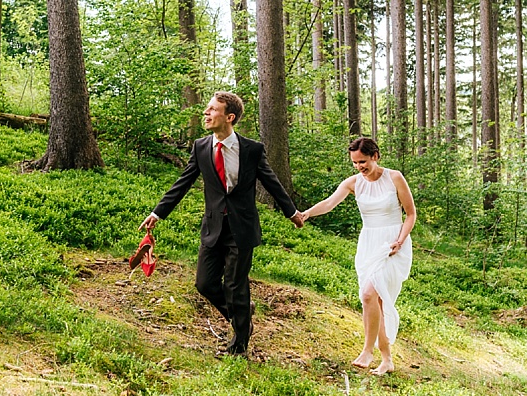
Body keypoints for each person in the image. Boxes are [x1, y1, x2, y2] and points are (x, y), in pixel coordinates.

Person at [139, 91, 304, 356]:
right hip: (213, 226)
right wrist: (158, 213)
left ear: (229, 117)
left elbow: (271, 182)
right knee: (205, 284)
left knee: (235, 285)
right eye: (207, 109)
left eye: (212, 109)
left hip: (242, 228)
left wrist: (291, 212)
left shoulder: (252, 150)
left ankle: (239, 345)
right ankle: (241, 318)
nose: (206, 113)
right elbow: (183, 182)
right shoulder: (201, 147)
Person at [295, 137, 415, 375]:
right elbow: (329, 203)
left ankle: (368, 350)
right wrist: (306, 214)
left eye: (363, 161)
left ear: (375, 156)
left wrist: (400, 240)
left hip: (393, 242)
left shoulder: (395, 178)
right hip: (369, 243)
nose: (360, 167)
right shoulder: (353, 183)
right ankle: (387, 359)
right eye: (355, 163)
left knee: (369, 294)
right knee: (373, 299)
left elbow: (410, 214)